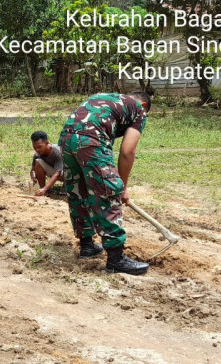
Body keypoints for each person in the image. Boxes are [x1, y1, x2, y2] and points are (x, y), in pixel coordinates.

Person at [58, 92, 152, 274]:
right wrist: (122, 187)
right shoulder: (139, 108)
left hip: (66, 138)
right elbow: (127, 151)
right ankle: (116, 260)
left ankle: (87, 246)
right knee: (108, 193)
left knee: (78, 189)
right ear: (143, 104)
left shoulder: (104, 97)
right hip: (91, 140)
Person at [29, 131, 63, 197]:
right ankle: (43, 190)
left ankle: (44, 189)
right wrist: (33, 176)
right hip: (56, 172)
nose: (37, 150)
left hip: (68, 174)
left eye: (39, 147)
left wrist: (45, 188)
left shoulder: (57, 152)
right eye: (34, 147)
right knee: (38, 161)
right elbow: (32, 170)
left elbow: (58, 173)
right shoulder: (37, 154)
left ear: (47, 143)